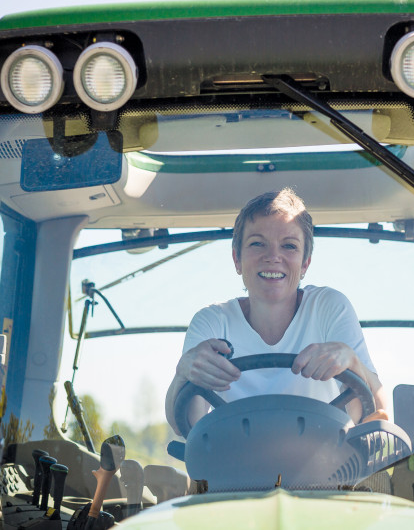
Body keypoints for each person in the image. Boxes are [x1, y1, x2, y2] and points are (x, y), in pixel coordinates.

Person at [165, 187, 388, 436]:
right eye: (257, 244)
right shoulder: (212, 321)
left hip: (325, 458)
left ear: (305, 264)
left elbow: (378, 413)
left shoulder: (329, 307)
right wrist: (184, 372)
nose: (273, 256)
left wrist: (351, 361)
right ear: (237, 259)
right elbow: (186, 424)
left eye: (289, 246)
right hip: (234, 458)